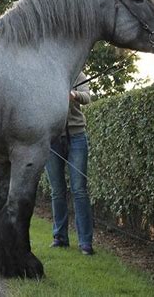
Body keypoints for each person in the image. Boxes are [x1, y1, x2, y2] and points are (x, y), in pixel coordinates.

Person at [46, 72, 94, 255]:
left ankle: (85, 243)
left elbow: (87, 97)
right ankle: (60, 238)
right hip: (53, 137)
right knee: (57, 190)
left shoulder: (78, 74)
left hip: (76, 136)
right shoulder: (47, 73)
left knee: (79, 189)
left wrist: (73, 95)